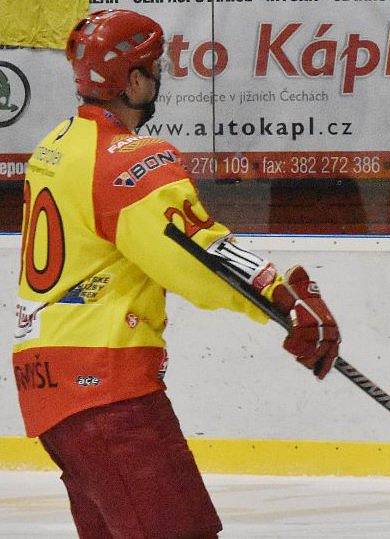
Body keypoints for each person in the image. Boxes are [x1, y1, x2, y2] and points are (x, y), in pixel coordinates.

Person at [12, 9, 340, 538]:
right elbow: (197, 253)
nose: (159, 76)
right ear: (134, 80)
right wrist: (282, 297)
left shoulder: (56, 146)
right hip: (108, 392)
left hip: (50, 388)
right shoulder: (128, 160)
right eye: (153, 67)